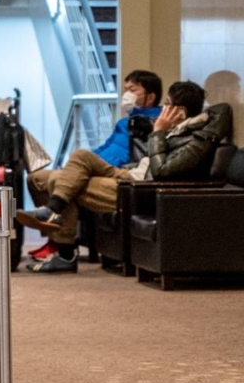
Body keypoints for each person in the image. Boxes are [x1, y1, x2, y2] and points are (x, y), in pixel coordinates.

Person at [16, 81, 232, 272]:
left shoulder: (196, 142)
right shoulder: (178, 129)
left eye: (167, 104)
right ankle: (52, 212)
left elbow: (161, 171)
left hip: (137, 186)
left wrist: (158, 132)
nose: (163, 110)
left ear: (180, 111)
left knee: (62, 184)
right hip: (130, 172)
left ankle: (64, 252)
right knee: (74, 159)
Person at [26, 69, 164, 262]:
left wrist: (87, 166)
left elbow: (129, 157)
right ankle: (53, 236)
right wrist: (77, 167)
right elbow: (105, 148)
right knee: (36, 179)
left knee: (60, 179)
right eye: (125, 89)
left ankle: (63, 247)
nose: (127, 95)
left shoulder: (154, 123)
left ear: (150, 97)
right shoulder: (124, 122)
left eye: (132, 90)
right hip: (96, 168)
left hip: (115, 171)